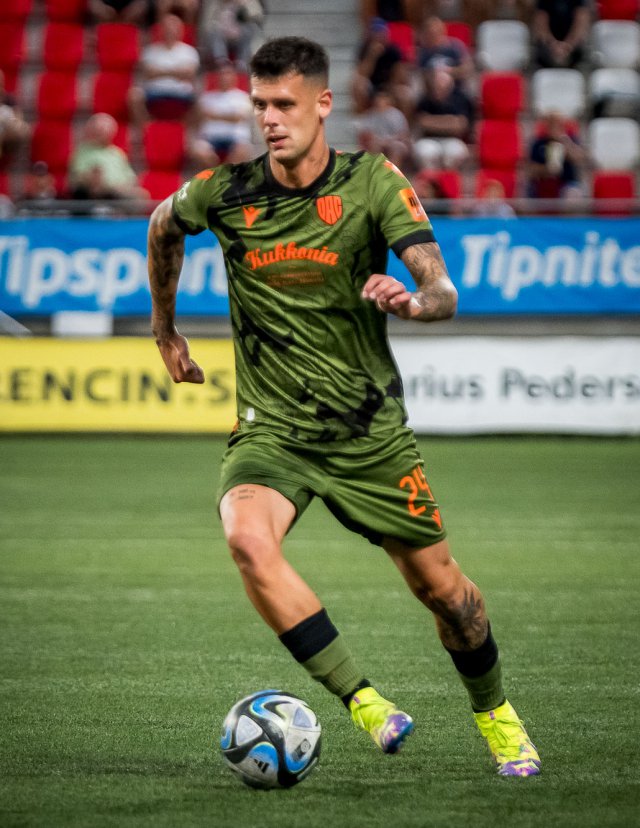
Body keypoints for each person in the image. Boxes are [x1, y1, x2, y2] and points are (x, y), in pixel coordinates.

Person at [147, 35, 541, 778]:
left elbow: (442, 291)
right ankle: (365, 703)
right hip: (273, 430)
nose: (269, 119)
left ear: (323, 104)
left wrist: (412, 300)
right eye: (259, 105)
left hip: (369, 434)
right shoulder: (226, 192)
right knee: (246, 539)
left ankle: (497, 716)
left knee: (448, 596)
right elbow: (164, 224)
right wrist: (165, 330)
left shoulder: (374, 183)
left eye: (284, 104)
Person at [131, 12, 200, 122]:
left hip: (181, 92)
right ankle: (145, 129)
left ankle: (186, 131)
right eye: (167, 28)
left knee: (201, 99)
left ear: (180, 30)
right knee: (134, 96)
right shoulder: (150, 51)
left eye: (174, 28)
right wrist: (177, 72)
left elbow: (189, 74)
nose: (170, 31)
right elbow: (149, 73)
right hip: (154, 92)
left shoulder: (189, 52)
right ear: (161, 30)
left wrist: (160, 71)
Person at [69, 113, 147, 202]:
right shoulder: (83, 151)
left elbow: (130, 178)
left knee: (140, 195)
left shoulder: (117, 153)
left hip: (118, 191)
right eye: (99, 129)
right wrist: (92, 178)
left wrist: (125, 187)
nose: (102, 132)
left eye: (105, 129)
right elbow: (77, 178)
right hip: (93, 192)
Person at [190, 60, 255, 168]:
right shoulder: (207, 97)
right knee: (198, 150)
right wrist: (228, 116)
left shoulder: (243, 97)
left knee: (242, 151)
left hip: (235, 139)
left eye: (227, 74)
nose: (224, 77)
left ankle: (225, 175)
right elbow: (199, 115)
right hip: (210, 138)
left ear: (234, 77)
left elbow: (238, 117)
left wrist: (213, 115)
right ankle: (217, 174)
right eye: (222, 74)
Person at [412, 65, 473, 170]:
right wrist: (449, 120)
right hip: (428, 139)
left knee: (455, 153)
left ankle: (448, 179)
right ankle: (430, 179)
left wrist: (432, 121)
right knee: (425, 153)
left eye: (443, 87)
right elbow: (422, 122)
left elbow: (460, 125)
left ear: (450, 86)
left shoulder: (460, 98)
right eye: (437, 87)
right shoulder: (425, 99)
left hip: (453, 140)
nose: (439, 90)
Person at [526, 110, 586, 200]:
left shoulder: (570, 139)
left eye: (557, 124)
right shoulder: (538, 142)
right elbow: (530, 168)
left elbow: (578, 158)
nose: (554, 127)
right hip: (543, 183)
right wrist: (546, 169)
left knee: (573, 194)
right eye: (551, 124)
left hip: (566, 183)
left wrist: (563, 141)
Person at [351, 17, 404, 113]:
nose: (378, 36)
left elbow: (398, 74)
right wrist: (372, 56)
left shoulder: (393, 51)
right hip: (372, 85)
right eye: (375, 32)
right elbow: (362, 74)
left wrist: (388, 91)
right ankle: (363, 117)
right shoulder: (365, 48)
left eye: (380, 32)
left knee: (403, 95)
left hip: (389, 84)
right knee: (358, 86)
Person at [355, 87, 412, 170]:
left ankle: (392, 172)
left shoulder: (397, 115)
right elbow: (366, 134)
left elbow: (403, 134)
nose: (381, 101)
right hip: (377, 142)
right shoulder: (369, 115)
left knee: (397, 147)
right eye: (379, 98)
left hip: (394, 141)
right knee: (374, 146)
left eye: (384, 98)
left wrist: (388, 141)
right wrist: (379, 141)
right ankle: (377, 173)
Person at [532, 0, 591, 69]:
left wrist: (569, 46)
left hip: (573, 48)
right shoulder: (543, 2)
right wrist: (553, 45)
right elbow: (541, 24)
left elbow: (581, 23)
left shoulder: (579, 2)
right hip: (548, 47)